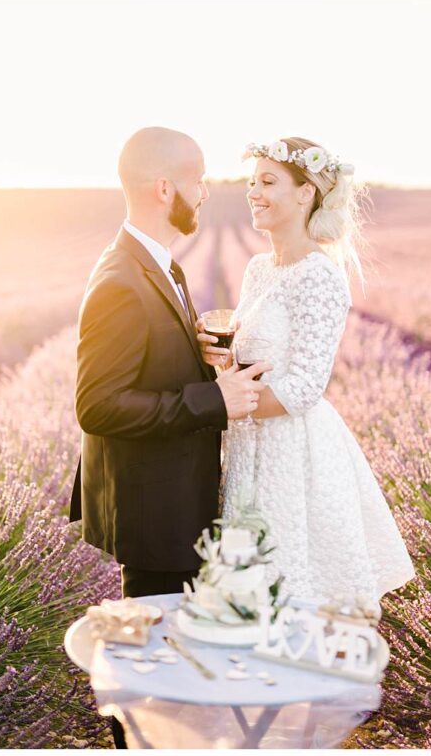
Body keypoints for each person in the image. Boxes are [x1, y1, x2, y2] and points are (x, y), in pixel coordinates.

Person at [71, 126, 269, 747]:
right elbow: (97, 405)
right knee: (149, 673)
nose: (206, 192)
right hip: (152, 506)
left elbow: (142, 364)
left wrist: (196, 354)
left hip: (170, 496)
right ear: (164, 188)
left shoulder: (159, 265)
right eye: (197, 179)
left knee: (165, 654)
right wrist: (214, 398)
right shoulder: (120, 281)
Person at [199, 137, 415, 614]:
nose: (253, 192)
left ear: (305, 193)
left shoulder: (319, 275)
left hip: (291, 452)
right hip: (247, 445)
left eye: (268, 181)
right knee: (245, 595)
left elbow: (303, 386)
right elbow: (252, 361)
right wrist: (220, 363)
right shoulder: (258, 269)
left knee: (289, 591)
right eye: (251, 182)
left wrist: (227, 401)